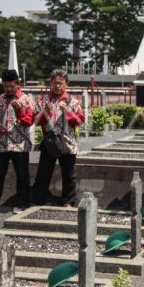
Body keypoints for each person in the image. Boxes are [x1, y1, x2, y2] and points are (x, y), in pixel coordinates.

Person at [0, 70, 35, 214]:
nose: (8, 89)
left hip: (20, 144)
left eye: (11, 86)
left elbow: (28, 121)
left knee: (22, 176)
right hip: (2, 143)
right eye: (5, 86)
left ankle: (23, 203)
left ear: (18, 84)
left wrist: (19, 111)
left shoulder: (27, 99)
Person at [31, 69, 84, 207]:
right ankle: (38, 199)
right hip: (50, 142)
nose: (57, 86)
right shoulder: (43, 100)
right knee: (43, 172)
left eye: (61, 83)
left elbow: (80, 121)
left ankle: (68, 201)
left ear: (66, 84)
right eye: (54, 83)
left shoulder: (72, 101)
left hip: (68, 143)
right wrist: (45, 112)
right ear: (50, 83)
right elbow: (35, 121)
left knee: (69, 174)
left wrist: (67, 112)